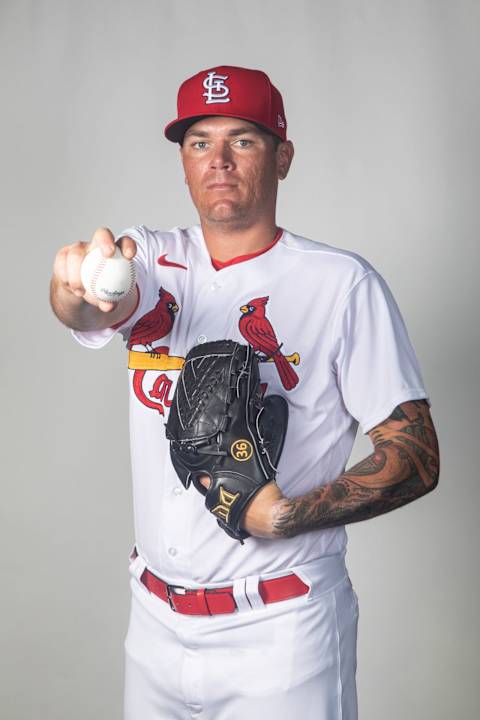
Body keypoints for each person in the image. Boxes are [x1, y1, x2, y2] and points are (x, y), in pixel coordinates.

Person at [50, 65, 440, 720]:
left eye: (244, 140)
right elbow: (93, 308)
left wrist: (281, 517)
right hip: (153, 621)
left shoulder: (341, 285)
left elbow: (417, 456)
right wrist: (76, 290)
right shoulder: (150, 259)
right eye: (200, 142)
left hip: (281, 629)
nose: (219, 161)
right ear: (182, 161)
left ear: (282, 157)